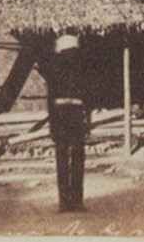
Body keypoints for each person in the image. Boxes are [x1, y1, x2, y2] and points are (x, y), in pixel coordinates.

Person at [47, 33, 88, 213]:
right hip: (63, 116)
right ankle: (66, 201)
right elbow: (51, 101)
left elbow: (87, 98)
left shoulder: (81, 72)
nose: (72, 55)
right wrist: (53, 125)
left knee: (75, 157)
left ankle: (75, 200)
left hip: (73, 116)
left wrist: (86, 120)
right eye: (69, 52)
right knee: (65, 158)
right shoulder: (55, 73)